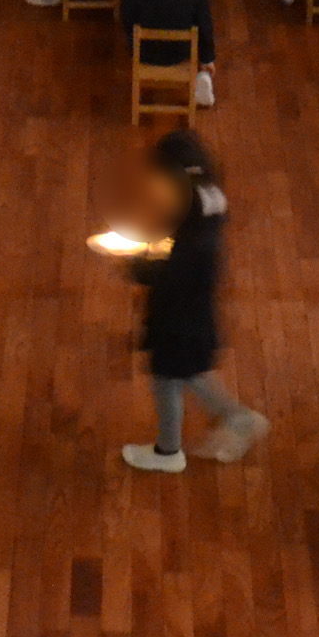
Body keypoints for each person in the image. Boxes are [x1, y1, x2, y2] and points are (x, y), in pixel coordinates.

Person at [117, 131, 269, 471]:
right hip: (194, 317)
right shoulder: (207, 201)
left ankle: (168, 452)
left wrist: (138, 265)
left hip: (178, 321)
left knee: (167, 379)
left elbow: (173, 274)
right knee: (188, 374)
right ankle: (238, 419)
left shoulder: (192, 223)